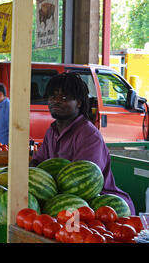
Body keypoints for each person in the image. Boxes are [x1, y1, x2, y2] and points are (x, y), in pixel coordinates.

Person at [29, 72, 135, 214]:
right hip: (66, 204)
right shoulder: (52, 131)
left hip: (103, 208)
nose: (56, 101)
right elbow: (38, 164)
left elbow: (83, 183)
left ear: (78, 102)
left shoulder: (88, 135)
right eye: (52, 96)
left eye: (64, 97)